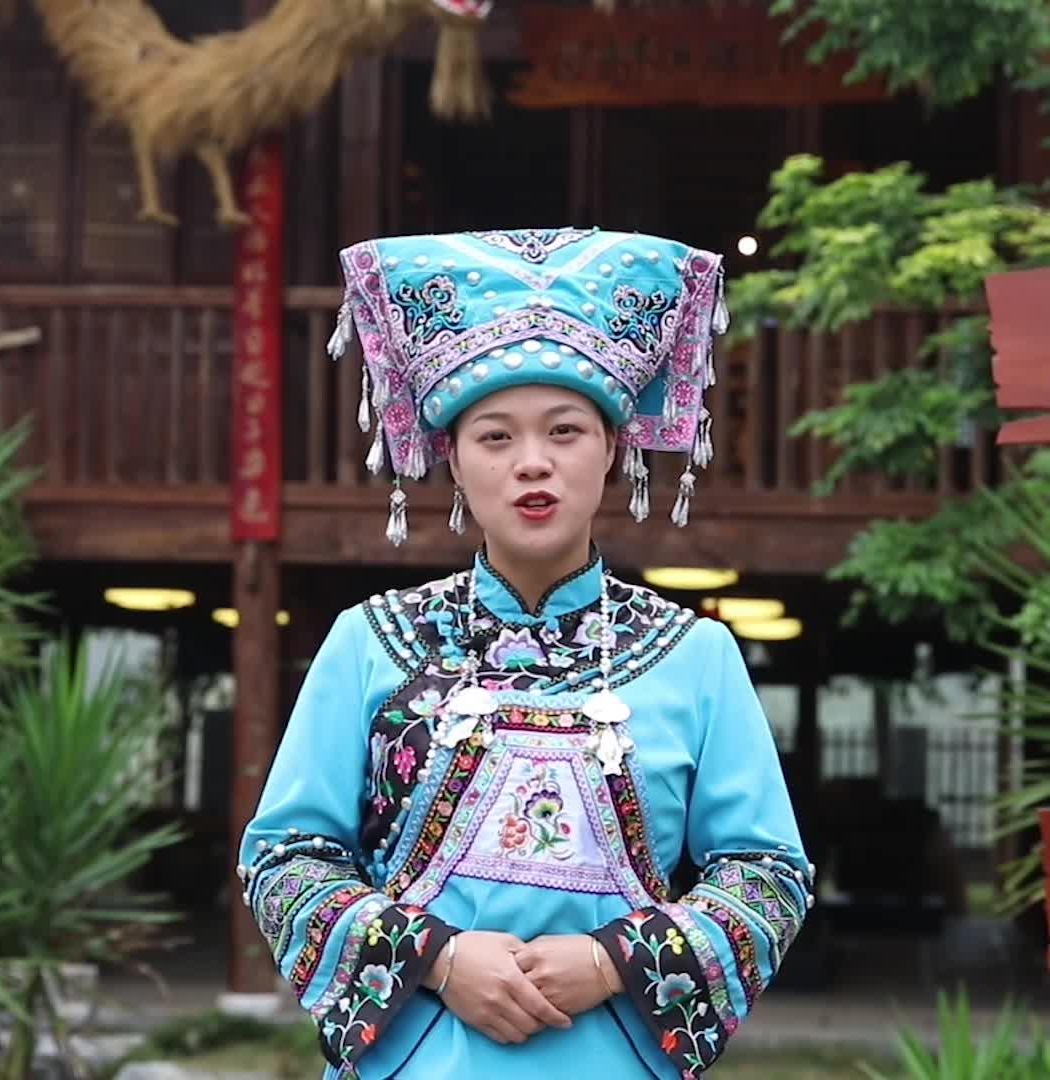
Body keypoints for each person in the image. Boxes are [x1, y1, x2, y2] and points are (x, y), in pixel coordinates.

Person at [236, 228, 812, 1079]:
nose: (532, 464)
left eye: (565, 431)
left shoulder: (696, 657)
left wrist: (614, 960)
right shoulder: (370, 642)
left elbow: (768, 876)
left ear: (614, 448)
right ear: (454, 460)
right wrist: (436, 957)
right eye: (496, 437)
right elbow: (284, 859)